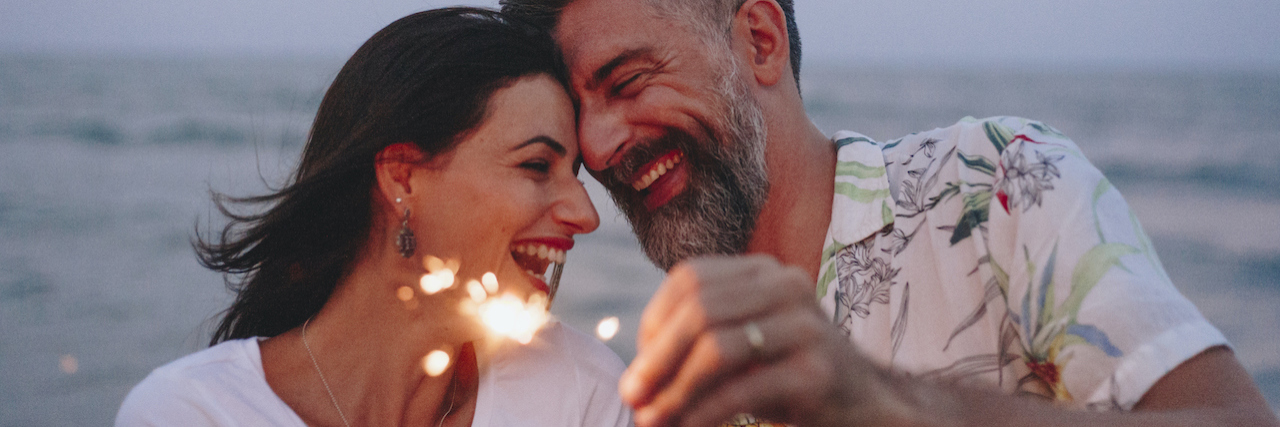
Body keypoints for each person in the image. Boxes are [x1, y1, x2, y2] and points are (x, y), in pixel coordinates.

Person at [500, 0, 1280, 426]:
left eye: (629, 81)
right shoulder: (677, 367)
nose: (598, 147)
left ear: (761, 40)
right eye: (581, 111)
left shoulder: (995, 185)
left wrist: (888, 403)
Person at [115, 8, 631, 427]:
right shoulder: (192, 413)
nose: (584, 215)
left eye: (576, 174)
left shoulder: (583, 395)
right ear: (402, 177)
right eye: (537, 165)